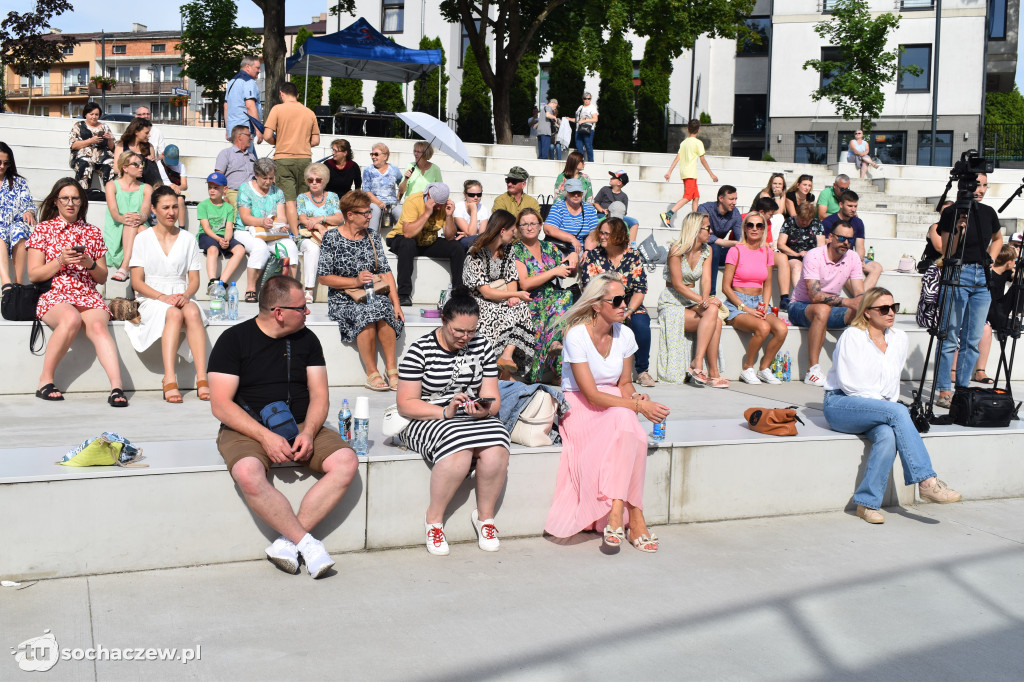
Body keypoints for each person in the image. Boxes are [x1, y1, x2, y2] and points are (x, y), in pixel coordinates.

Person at [208, 275, 358, 578]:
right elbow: (221, 405)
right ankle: (308, 544)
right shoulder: (233, 340)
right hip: (247, 427)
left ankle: (287, 543)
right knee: (248, 473)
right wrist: (264, 436)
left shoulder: (308, 339)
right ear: (279, 312)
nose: (307, 313)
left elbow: (319, 395)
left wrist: (308, 431)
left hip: (302, 422)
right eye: (301, 308)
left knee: (346, 460)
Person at [545, 273, 670, 551]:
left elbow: (624, 384)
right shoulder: (577, 335)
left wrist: (636, 397)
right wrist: (638, 406)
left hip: (612, 401)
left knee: (629, 427)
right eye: (616, 300)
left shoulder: (625, 333)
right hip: (579, 404)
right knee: (629, 424)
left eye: (625, 299)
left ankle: (618, 511)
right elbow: (590, 394)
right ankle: (634, 516)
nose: (624, 305)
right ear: (597, 305)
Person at [823, 287, 960, 525]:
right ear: (866, 312)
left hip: (879, 407)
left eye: (893, 308)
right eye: (883, 309)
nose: (891, 313)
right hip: (841, 403)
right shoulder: (852, 336)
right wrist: (885, 405)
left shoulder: (899, 338)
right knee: (897, 411)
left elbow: (892, 381)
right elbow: (849, 383)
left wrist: (886, 403)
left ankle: (866, 504)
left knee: (887, 436)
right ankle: (926, 482)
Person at [395, 291, 511, 556]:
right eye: (459, 330)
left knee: (497, 445)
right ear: (444, 320)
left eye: (471, 331)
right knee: (459, 449)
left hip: (468, 416)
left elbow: (494, 399)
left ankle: (486, 518)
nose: (465, 337)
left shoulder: (481, 346)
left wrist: (484, 411)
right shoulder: (420, 350)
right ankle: (434, 520)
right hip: (428, 416)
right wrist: (445, 412)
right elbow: (406, 403)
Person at [27, 178, 127, 406]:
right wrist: (59, 261)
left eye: (75, 198)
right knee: (70, 319)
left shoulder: (92, 232)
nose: (71, 203)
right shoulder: (44, 229)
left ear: (82, 202)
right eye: (65, 198)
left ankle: (116, 387)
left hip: (87, 293)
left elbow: (102, 278)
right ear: (56, 201)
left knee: (99, 326)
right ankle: (45, 381)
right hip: (56, 292)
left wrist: (90, 263)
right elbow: (34, 274)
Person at [124, 185, 209, 403]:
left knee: (190, 312)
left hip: (182, 294)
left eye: (175, 207)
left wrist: (186, 295)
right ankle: (169, 377)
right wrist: (162, 297)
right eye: (165, 207)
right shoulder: (142, 239)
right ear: (153, 210)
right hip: (151, 297)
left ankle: (202, 377)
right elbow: (136, 282)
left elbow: (195, 281)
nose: (171, 212)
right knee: (173, 313)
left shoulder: (188, 238)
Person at [317, 190, 404, 392]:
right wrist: (355, 281)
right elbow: (323, 277)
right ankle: (371, 372)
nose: (369, 216)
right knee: (367, 310)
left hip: (372, 294)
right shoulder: (332, 238)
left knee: (384, 306)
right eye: (365, 213)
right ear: (350, 215)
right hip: (343, 299)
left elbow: (385, 271)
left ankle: (391, 369)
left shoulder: (372, 236)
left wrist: (396, 304)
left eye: (369, 212)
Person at [935, 173, 1003, 408]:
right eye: (977, 184)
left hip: (981, 278)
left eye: (985, 185)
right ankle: (945, 390)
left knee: (973, 339)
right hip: (958, 273)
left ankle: (962, 390)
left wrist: (990, 260)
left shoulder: (988, 213)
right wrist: (958, 231)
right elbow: (948, 251)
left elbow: (997, 239)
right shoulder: (952, 212)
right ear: (965, 185)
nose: (982, 189)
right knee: (949, 336)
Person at [787, 221, 865, 387]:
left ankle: (860, 371)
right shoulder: (814, 255)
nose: (846, 242)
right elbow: (814, 296)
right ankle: (812, 370)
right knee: (822, 309)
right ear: (830, 237)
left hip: (831, 309)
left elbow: (859, 290)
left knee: (867, 312)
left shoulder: (853, 257)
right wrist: (848, 301)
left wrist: (863, 303)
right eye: (842, 237)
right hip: (800, 307)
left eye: (849, 239)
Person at [580, 217, 655, 387]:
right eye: (601, 233)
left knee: (641, 323)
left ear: (618, 236)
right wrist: (606, 308)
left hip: (628, 301)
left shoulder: (632, 255)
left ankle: (642, 370)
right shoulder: (593, 255)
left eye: (607, 234)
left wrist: (627, 311)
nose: (602, 236)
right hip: (600, 302)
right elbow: (589, 288)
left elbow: (640, 289)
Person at [657, 212, 727, 387]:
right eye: (708, 228)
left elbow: (705, 280)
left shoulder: (707, 250)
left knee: (713, 313)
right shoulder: (676, 250)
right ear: (696, 229)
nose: (711, 231)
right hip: (672, 300)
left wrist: (706, 299)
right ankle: (711, 371)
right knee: (716, 322)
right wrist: (703, 301)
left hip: (691, 300)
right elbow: (678, 284)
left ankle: (700, 363)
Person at [463, 210, 535, 378]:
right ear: (502, 231)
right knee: (499, 314)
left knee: (521, 307)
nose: (514, 234)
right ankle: (501, 371)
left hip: (500, 298)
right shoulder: (475, 253)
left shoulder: (508, 250)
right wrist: (514, 294)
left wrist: (514, 296)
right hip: (478, 301)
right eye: (512, 231)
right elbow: (485, 292)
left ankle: (507, 356)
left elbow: (511, 279)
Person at [721, 212, 788, 385]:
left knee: (781, 329)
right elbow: (726, 287)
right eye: (750, 225)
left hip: (758, 302)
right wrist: (745, 308)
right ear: (744, 228)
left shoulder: (767, 251)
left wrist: (764, 305)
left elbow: (767, 284)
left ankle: (764, 368)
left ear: (764, 229)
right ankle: (747, 368)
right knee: (764, 327)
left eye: (759, 225)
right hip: (737, 304)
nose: (754, 229)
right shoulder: (735, 250)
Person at [512, 207, 575, 383]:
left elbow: (567, 272)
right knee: (562, 301)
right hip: (529, 299)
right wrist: (553, 271)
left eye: (533, 223)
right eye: (524, 224)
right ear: (518, 228)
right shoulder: (516, 250)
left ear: (540, 226)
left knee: (564, 298)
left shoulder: (550, 247)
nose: (529, 227)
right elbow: (524, 283)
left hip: (552, 299)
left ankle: (555, 351)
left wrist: (573, 259)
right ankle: (556, 369)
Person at [237, 158, 314, 299]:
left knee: (290, 247)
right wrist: (261, 221)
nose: (268, 182)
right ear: (256, 175)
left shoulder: (277, 192)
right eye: (264, 178)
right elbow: (245, 218)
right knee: (260, 248)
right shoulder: (245, 188)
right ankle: (251, 288)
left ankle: (291, 287)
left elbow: (282, 217)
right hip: (246, 230)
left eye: (271, 178)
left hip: (271, 231)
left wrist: (281, 224)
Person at [387, 182, 466, 307]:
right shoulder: (413, 201)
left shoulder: (446, 204)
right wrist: (427, 213)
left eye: (441, 204)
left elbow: (450, 236)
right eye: (437, 204)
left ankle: (459, 292)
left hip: (428, 241)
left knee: (457, 247)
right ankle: (403, 294)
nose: (439, 208)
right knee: (408, 244)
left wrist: (449, 216)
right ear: (428, 196)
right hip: (402, 237)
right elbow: (407, 233)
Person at [264, 82, 319, 234]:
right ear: (297, 95)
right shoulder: (309, 112)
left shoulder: (277, 109)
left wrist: (278, 142)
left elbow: (267, 135)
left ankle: (295, 235)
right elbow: (315, 141)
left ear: (281, 94)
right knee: (302, 199)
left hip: (283, 158)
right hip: (305, 159)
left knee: (289, 200)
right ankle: (304, 230)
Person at [294, 162, 341, 303]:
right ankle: (309, 290)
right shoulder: (302, 197)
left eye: (318, 180)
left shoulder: (332, 197)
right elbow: (303, 219)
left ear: (324, 180)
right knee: (312, 249)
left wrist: (321, 218)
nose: (314, 183)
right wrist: (320, 227)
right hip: (306, 236)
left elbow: (339, 218)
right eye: (310, 180)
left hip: (329, 234)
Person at [103, 151, 152, 283]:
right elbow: (114, 211)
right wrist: (123, 219)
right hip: (117, 227)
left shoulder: (146, 188)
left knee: (138, 226)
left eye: (141, 163)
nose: (141, 167)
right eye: (136, 164)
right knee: (134, 225)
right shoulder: (111, 185)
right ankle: (139, 277)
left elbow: (145, 212)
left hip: (139, 224)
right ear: (124, 167)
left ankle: (125, 267)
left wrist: (138, 218)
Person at [661, 118, 718, 226]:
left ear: (688, 130)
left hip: (685, 173)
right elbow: (702, 159)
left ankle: (695, 220)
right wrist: (711, 174)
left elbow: (678, 157)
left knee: (696, 197)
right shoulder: (698, 143)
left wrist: (670, 171)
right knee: (688, 197)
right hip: (690, 173)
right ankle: (668, 214)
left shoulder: (684, 143)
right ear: (699, 130)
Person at [821, 190, 882, 289]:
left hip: (853, 257)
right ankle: (862, 299)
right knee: (843, 265)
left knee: (877, 267)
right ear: (841, 204)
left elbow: (860, 247)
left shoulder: (858, 222)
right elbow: (825, 245)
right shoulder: (828, 222)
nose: (853, 209)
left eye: (855, 206)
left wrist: (858, 261)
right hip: (837, 258)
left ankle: (861, 298)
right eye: (850, 206)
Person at [196, 172, 246, 293]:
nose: (212, 190)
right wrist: (219, 240)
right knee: (213, 249)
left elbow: (229, 227)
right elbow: (206, 228)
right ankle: (212, 281)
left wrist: (226, 239)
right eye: (210, 187)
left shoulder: (228, 207)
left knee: (240, 250)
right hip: (207, 235)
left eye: (216, 187)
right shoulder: (203, 205)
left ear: (225, 189)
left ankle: (222, 282)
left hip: (223, 236)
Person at [0, 142, 37, 288]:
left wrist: (29, 211)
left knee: (19, 231)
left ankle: (18, 284)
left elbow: (28, 203)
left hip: (14, 223)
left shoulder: (19, 182)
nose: (2, 166)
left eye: (6, 163)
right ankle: (6, 283)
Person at [697, 185, 742, 296]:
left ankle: (739, 294)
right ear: (721, 198)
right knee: (714, 248)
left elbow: (740, 238)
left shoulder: (735, 213)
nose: (735, 202)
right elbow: (703, 235)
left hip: (718, 251)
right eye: (731, 199)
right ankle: (710, 294)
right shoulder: (704, 209)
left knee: (738, 252)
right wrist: (723, 242)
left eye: (736, 199)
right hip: (699, 250)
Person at [777, 201, 826, 297]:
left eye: (807, 220)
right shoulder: (789, 222)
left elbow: (821, 246)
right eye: (802, 219)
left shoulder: (817, 224)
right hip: (792, 254)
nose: (804, 222)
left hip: (812, 255)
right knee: (797, 267)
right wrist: (797, 254)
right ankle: (799, 296)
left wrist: (810, 255)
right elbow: (781, 244)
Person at [543, 178, 600, 254]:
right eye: (572, 192)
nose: (576, 195)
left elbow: (594, 234)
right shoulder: (558, 207)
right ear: (566, 193)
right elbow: (548, 229)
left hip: (582, 250)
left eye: (578, 192)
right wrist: (572, 239)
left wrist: (587, 252)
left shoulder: (590, 209)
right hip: (560, 249)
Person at [223, 55, 263, 158]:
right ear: (247, 67)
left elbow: (226, 106)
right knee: (245, 161)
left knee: (252, 161)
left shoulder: (231, 82)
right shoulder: (248, 82)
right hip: (245, 130)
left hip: (234, 130)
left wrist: (228, 130)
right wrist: (259, 130)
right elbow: (250, 106)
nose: (259, 71)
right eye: (257, 68)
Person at [69, 102, 115, 191]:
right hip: (84, 155)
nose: (94, 117)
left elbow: (112, 147)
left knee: (111, 165)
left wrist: (109, 139)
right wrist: (91, 141)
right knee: (85, 164)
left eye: (96, 114)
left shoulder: (104, 127)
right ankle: (83, 194)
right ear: (86, 114)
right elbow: (74, 145)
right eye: (91, 114)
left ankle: (111, 195)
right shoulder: (78, 126)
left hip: (102, 157)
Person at [362, 142, 404, 234]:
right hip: (374, 202)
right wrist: (379, 203)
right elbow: (366, 191)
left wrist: (398, 199)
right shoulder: (368, 170)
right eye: (372, 154)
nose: (373, 156)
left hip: (392, 203)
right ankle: (372, 240)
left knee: (402, 214)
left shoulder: (394, 170)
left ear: (385, 156)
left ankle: (400, 240)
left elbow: (401, 186)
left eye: (376, 154)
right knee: (375, 211)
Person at [214, 125, 256, 210]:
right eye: (248, 135)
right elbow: (218, 177)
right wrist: (223, 196)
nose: (251, 138)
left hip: (253, 193)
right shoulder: (226, 153)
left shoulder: (252, 156)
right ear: (239, 136)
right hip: (234, 193)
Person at [594, 170, 638, 239]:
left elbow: (624, 212)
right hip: (603, 215)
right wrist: (602, 210)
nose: (611, 178)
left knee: (634, 222)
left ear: (619, 182)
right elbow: (596, 203)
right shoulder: (605, 189)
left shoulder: (624, 196)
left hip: (617, 217)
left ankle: (631, 246)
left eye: (614, 177)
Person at [157, 144, 188, 229]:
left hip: (175, 192)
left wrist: (178, 187)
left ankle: (182, 227)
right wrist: (169, 186)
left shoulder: (180, 166)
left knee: (180, 199)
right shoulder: (157, 165)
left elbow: (185, 185)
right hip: (162, 190)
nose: (169, 165)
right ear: (163, 155)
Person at [453, 179, 490, 248]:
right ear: (465, 194)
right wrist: (474, 210)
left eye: (479, 194)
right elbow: (472, 233)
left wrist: (467, 234)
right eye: (471, 195)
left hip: (476, 241)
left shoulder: (484, 209)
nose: (476, 197)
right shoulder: (458, 207)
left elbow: (482, 235)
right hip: (460, 241)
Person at [920, 201, 953, 273]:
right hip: (935, 265)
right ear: (940, 213)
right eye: (944, 211)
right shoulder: (935, 227)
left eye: (949, 210)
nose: (947, 213)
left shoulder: (957, 227)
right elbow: (940, 248)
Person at [572, 92, 598, 163]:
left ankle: (591, 162)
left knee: (588, 146)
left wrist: (584, 120)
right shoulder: (580, 107)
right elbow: (577, 120)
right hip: (578, 129)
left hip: (588, 129)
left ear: (590, 99)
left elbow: (595, 119)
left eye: (588, 98)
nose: (587, 100)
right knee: (579, 147)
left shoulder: (592, 107)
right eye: (585, 98)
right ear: (583, 99)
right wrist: (569, 119)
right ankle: (580, 162)